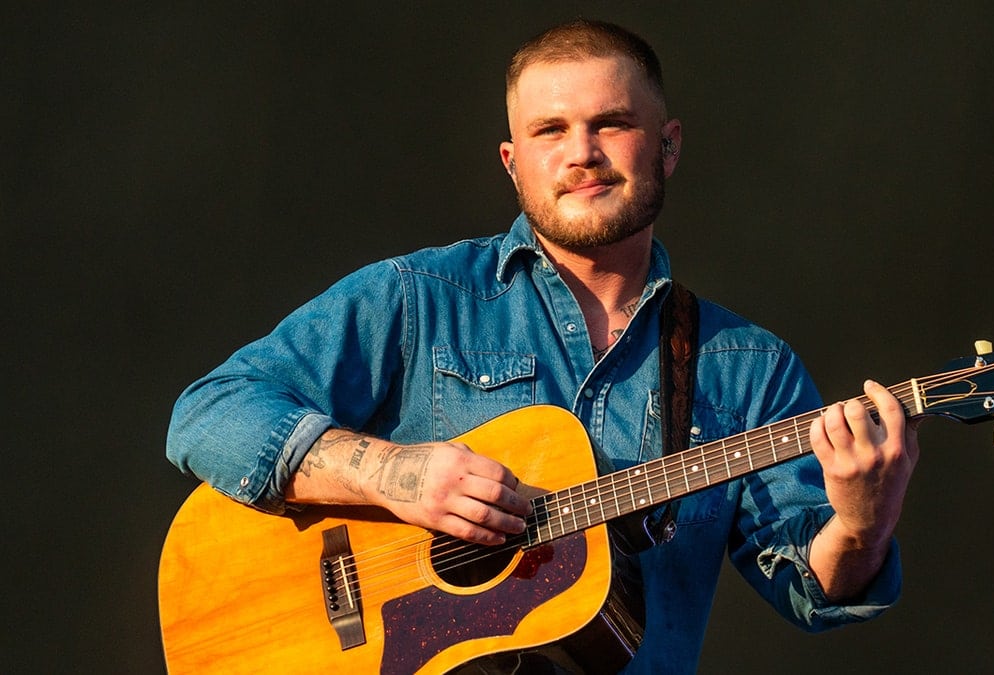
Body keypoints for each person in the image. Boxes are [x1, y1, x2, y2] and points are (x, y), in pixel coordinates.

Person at [167, 18, 919, 674]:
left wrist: (861, 521)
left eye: (611, 123)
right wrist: (394, 472)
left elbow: (811, 591)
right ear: (512, 161)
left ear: (668, 145)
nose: (581, 152)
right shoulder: (417, 297)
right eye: (550, 130)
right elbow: (208, 414)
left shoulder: (749, 370)